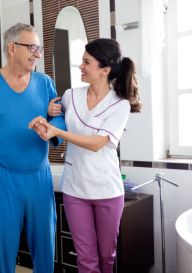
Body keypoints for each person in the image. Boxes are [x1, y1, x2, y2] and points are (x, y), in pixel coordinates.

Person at [29, 38, 142, 273]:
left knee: (106, 257)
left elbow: (98, 143)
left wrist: (59, 131)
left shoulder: (119, 105)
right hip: (75, 189)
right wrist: (49, 113)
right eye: (82, 61)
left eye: (86, 62)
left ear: (105, 70)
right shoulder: (71, 95)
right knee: (85, 258)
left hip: (107, 191)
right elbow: (56, 117)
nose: (80, 66)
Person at [0, 23, 65, 273]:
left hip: (39, 178)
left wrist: (51, 126)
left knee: (45, 249)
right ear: (12, 48)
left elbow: (59, 119)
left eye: (39, 48)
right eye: (32, 47)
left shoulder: (45, 82)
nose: (38, 55)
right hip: (2, 179)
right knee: (3, 250)